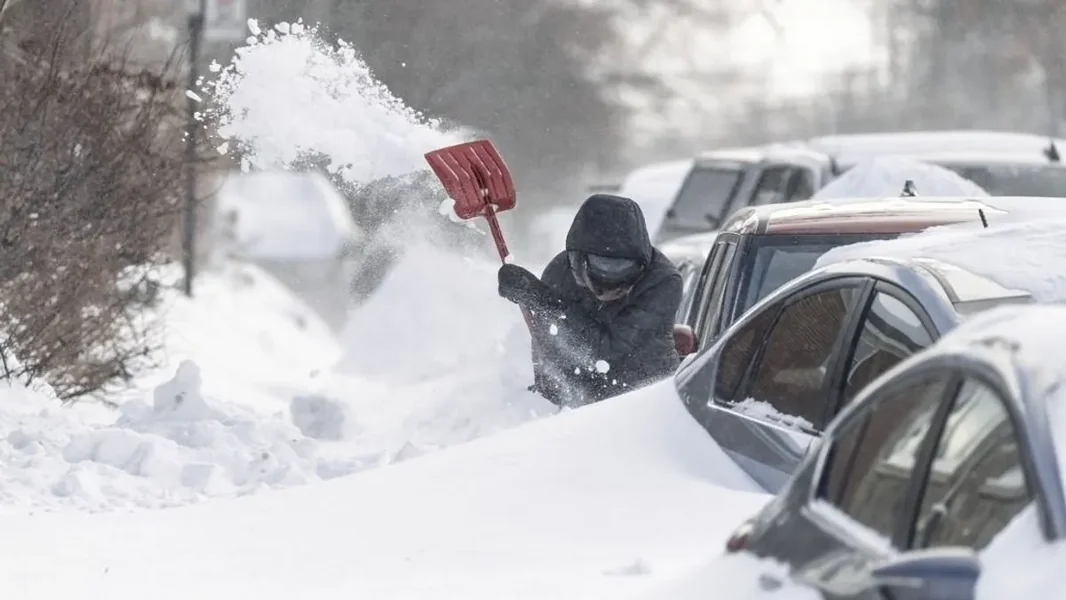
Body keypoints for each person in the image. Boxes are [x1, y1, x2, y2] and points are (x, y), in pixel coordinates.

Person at [497, 194, 683, 407]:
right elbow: (547, 345)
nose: (613, 287)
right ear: (578, 263)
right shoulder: (560, 273)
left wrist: (542, 300)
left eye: (624, 272)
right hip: (572, 408)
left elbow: (605, 353)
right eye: (602, 271)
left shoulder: (663, 282)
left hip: (644, 401)